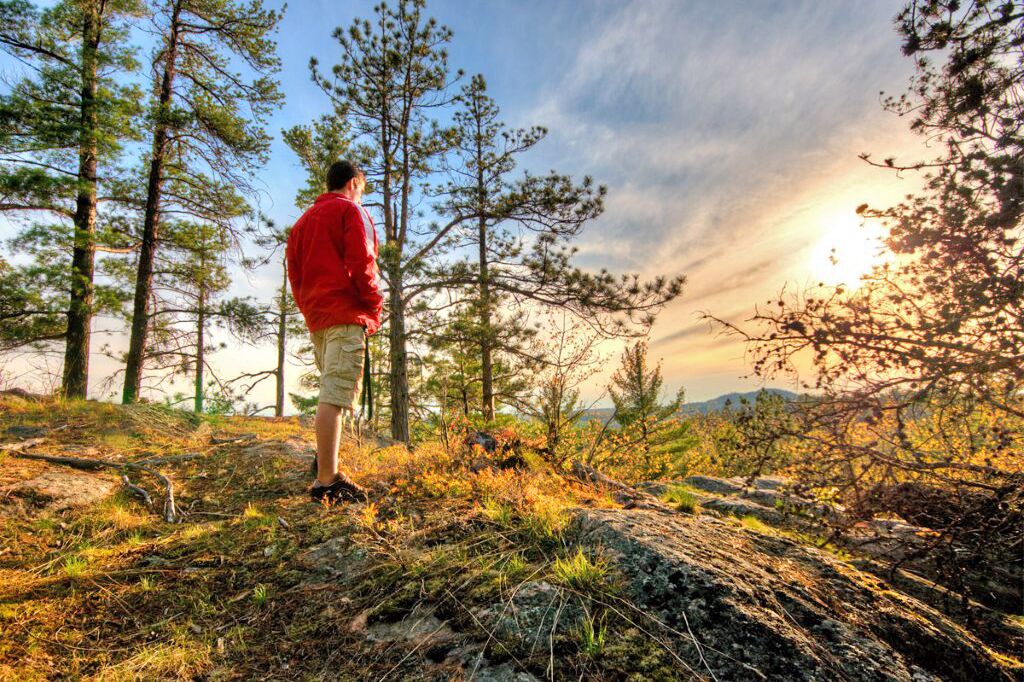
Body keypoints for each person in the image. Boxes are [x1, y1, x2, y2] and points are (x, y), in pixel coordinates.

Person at [286, 160, 382, 504]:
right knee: (336, 394)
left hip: (319, 318)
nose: (361, 193)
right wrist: (374, 306)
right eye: (362, 187)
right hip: (345, 314)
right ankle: (326, 481)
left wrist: (310, 311)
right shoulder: (351, 212)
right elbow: (363, 263)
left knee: (331, 389)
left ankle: (324, 461)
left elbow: (295, 277)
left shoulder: (301, 224)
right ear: (354, 182)